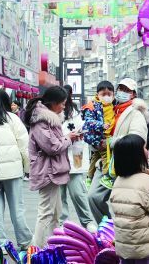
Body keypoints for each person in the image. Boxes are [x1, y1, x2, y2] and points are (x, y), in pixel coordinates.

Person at [25, 86, 81, 247]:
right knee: (45, 213)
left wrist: (68, 137)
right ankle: (36, 250)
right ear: (53, 103)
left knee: (56, 213)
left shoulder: (48, 119)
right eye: (62, 103)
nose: (64, 106)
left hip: (52, 171)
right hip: (47, 172)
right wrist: (68, 139)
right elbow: (52, 146)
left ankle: (53, 246)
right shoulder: (41, 121)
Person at [88, 78, 149, 220]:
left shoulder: (136, 113)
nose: (122, 92)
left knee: (125, 204)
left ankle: (119, 228)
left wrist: (111, 142)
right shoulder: (110, 109)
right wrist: (95, 141)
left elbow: (138, 139)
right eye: (121, 89)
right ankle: (106, 227)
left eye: (127, 90)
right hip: (105, 163)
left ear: (133, 94)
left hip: (125, 165)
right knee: (93, 197)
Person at [109, 134, 149, 264]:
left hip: (124, 242)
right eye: (144, 147)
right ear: (136, 155)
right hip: (144, 243)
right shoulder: (146, 181)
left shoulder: (118, 181)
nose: (147, 150)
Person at [0, 89, 33, 251]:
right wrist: (27, 168)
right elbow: (24, 146)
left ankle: (0, 243)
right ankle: (24, 241)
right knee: (17, 209)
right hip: (13, 171)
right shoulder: (13, 119)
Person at [60, 85, 95, 231]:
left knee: (78, 193)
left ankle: (87, 222)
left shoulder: (75, 112)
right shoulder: (51, 114)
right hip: (57, 160)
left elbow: (82, 129)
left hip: (74, 157)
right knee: (60, 197)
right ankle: (61, 225)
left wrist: (79, 134)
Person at [82, 81, 116, 223]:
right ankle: (105, 176)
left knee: (95, 160)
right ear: (98, 94)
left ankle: (90, 178)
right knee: (99, 159)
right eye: (103, 94)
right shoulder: (93, 106)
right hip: (99, 140)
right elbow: (88, 121)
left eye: (109, 94)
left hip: (107, 141)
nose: (107, 96)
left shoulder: (115, 106)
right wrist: (101, 125)